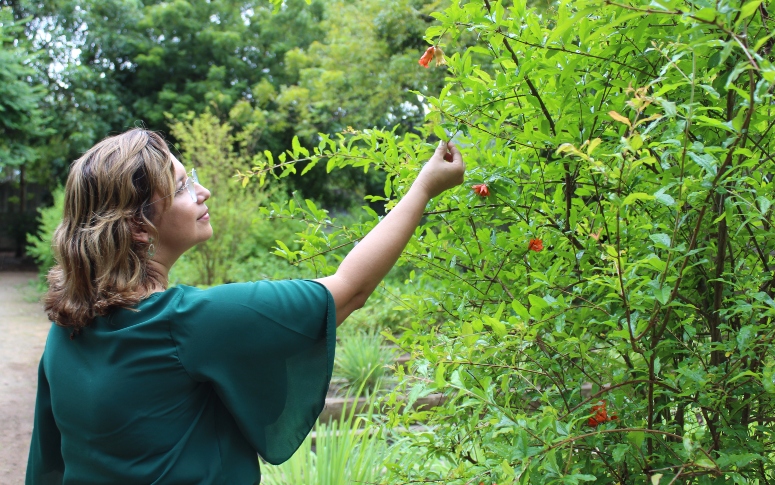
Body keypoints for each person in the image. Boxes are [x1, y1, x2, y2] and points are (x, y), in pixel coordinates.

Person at [26, 128, 465, 485]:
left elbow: (47, 467)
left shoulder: (65, 333)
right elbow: (350, 289)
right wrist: (424, 187)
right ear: (139, 226)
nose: (204, 191)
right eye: (182, 187)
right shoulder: (189, 323)